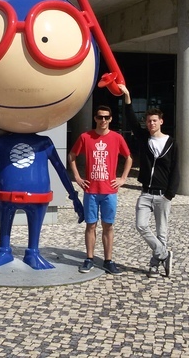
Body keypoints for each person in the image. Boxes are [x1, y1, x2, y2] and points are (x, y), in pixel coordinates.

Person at [120, 85, 180, 278]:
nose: (151, 123)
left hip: (163, 194)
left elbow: (175, 169)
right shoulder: (144, 139)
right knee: (141, 225)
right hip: (146, 193)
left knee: (162, 232)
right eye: (148, 121)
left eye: (154, 120)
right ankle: (164, 254)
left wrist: (170, 194)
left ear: (161, 121)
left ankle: (155, 265)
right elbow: (131, 120)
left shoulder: (171, 143)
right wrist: (127, 98)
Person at [67, 105, 132, 275]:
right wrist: (77, 178)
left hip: (109, 191)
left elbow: (128, 158)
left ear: (110, 119)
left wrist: (123, 178)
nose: (103, 120)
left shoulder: (117, 138)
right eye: (100, 117)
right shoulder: (85, 137)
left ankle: (108, 260)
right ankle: (89, 258)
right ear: (95, 118)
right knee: (91, 225)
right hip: (91, 190)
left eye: (106, 117)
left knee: (108, 225)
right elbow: (72, 156)